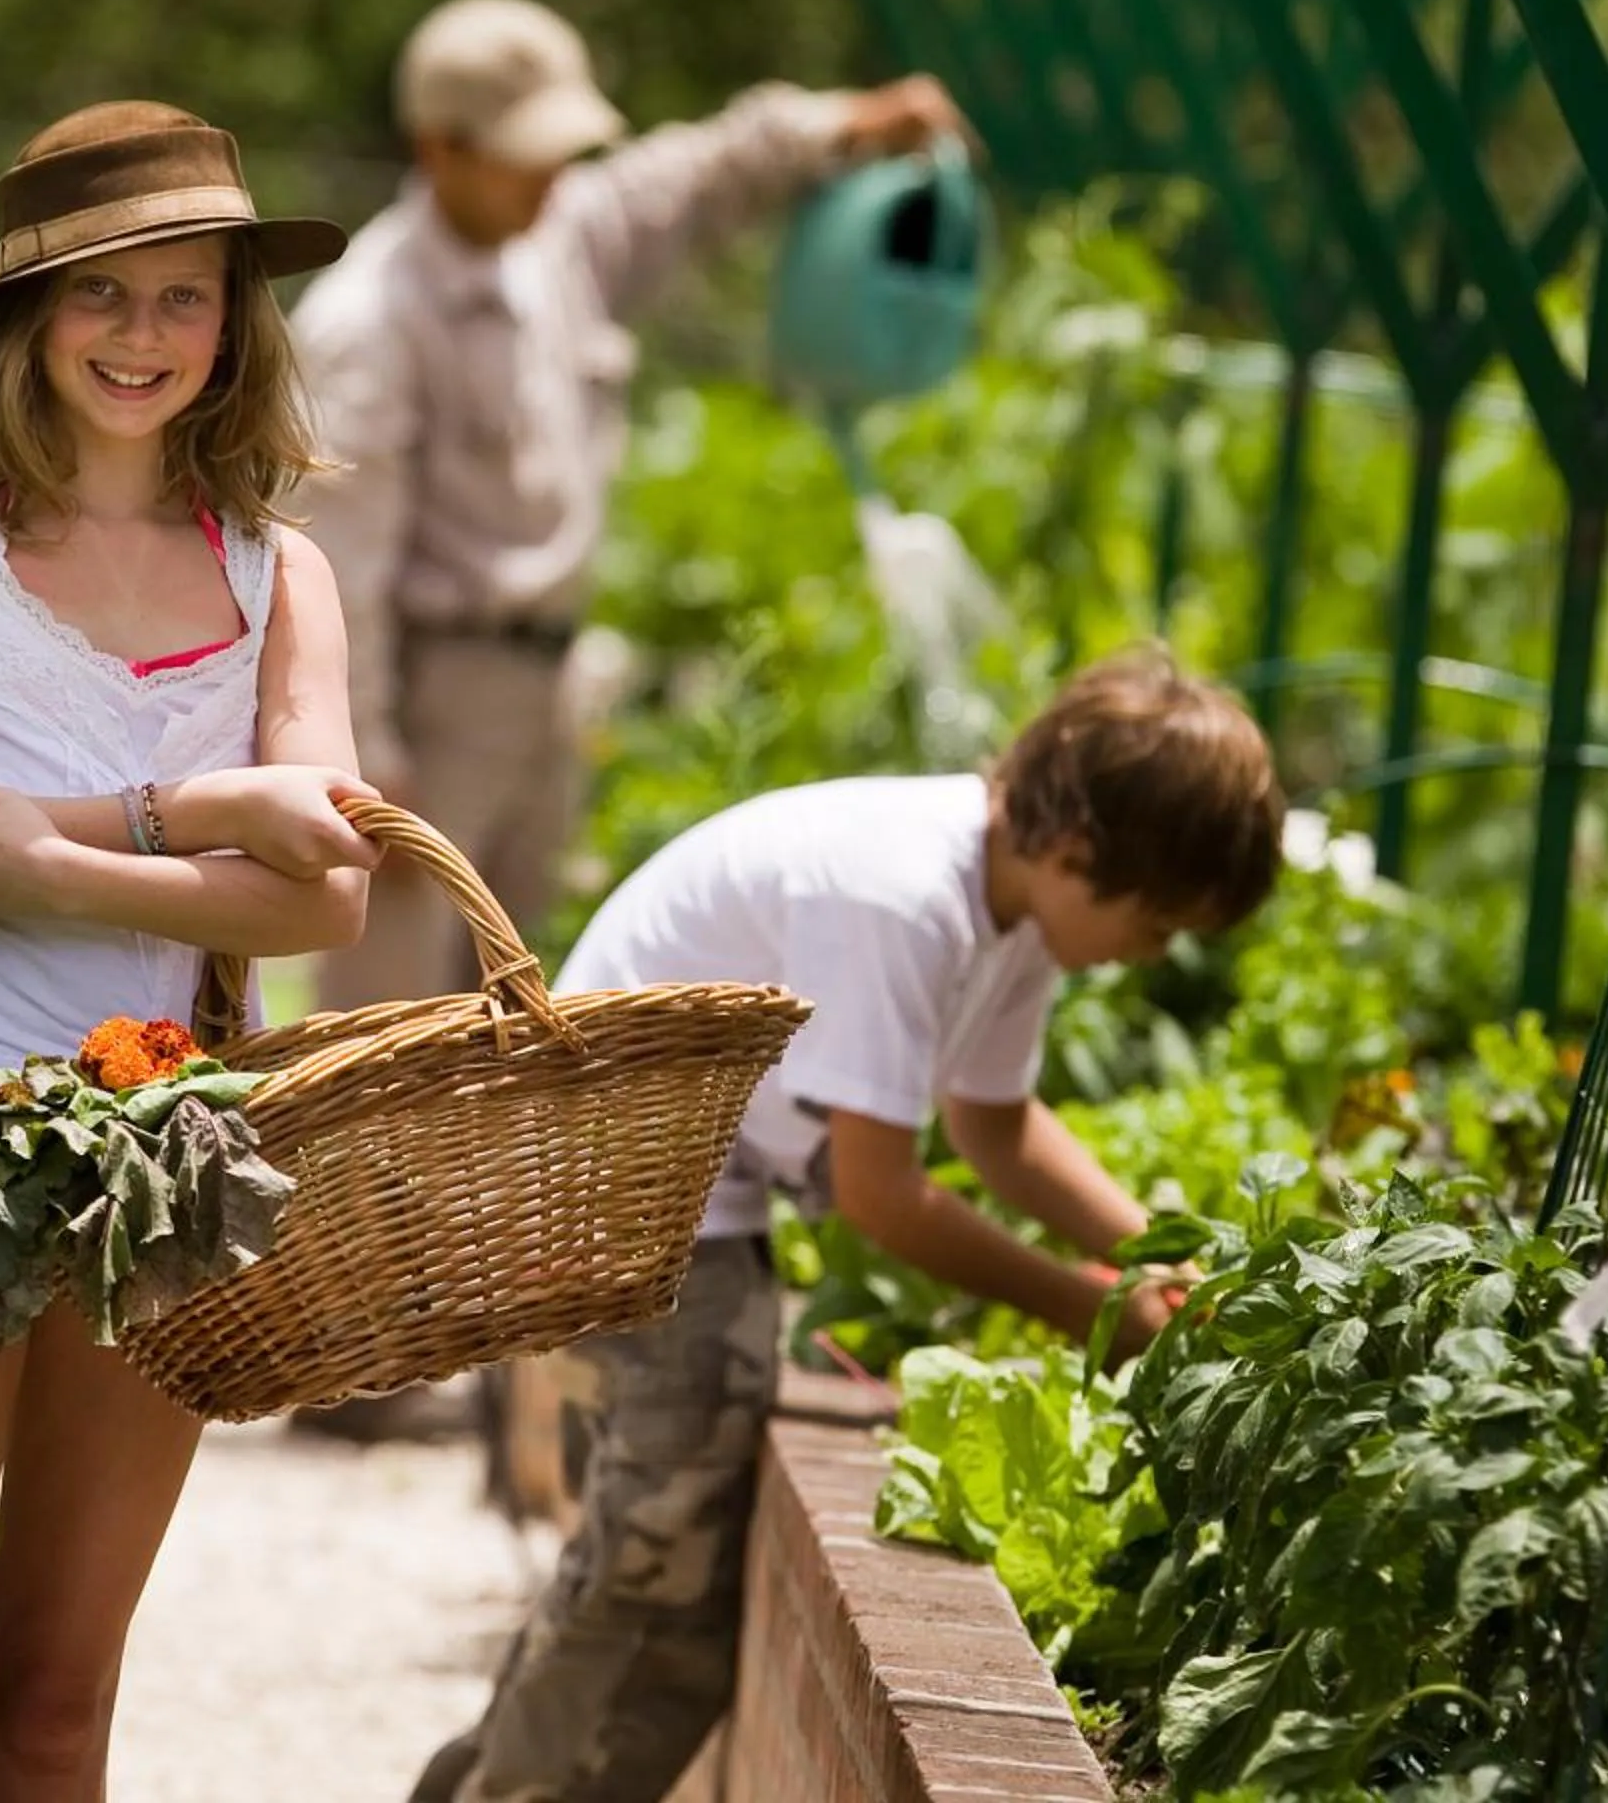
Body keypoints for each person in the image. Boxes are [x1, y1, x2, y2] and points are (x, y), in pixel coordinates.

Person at [411, 648, 1286, 1803]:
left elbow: (995, 1127)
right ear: (1079, 852)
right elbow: (883, 1196)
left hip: (677, 1189)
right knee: (661, 1567)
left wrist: (1162, 1255)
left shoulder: (1009, 902)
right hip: (610, 1193)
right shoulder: (903, 896)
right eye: (1159, 919)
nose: (1155, 950)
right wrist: (1091, 1309)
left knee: (649, 1555)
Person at [0, 100, 385, 1798]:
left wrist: (65, 840)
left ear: (235, 325)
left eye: (185, 297)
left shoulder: (282, 573)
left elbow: (330, 896)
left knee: (59, 1699)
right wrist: (203, 816)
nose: (142, 337)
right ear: (23, 320)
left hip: (174, 1139)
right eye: (100, 296)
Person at [291, 0, 978, 1017]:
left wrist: (844, 123)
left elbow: (705, 172)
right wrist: (363, 764)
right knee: (384, 1026)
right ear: (439, 149)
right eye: (526, 153)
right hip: (432, 705)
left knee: (511, 1015)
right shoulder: (371, 321)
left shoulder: (559, 237)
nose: (552, 174)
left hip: (545, 687)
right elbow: (339, 563)